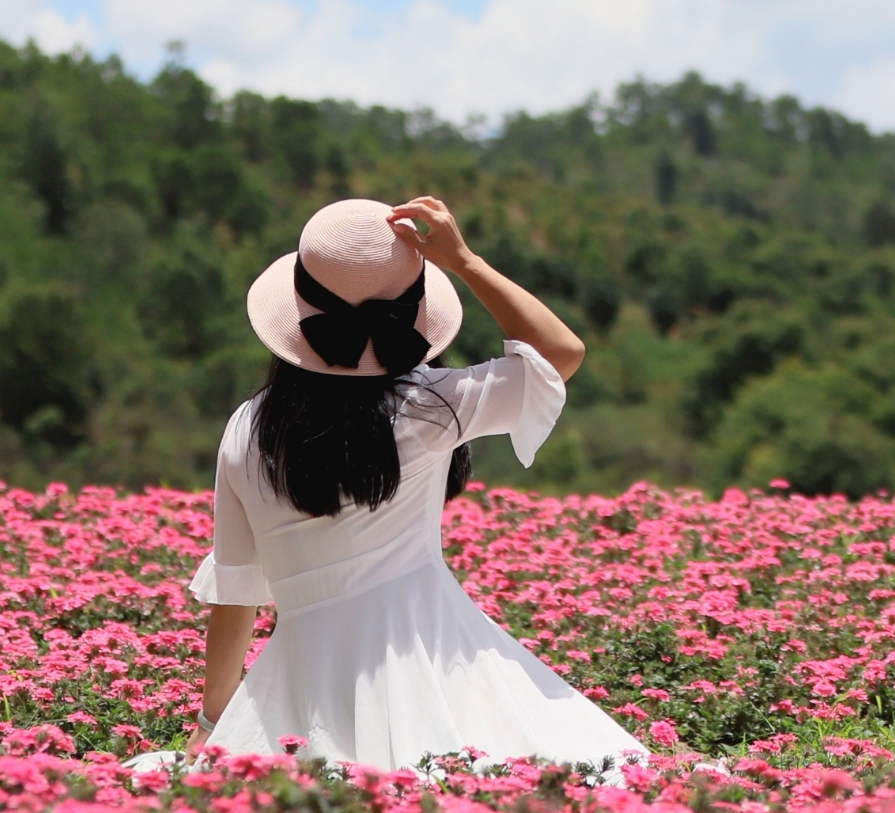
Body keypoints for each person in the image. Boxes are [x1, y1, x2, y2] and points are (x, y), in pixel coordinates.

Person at [186, 193, 648, 776]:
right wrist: (465, 260)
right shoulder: (433, 407)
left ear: (297, 313)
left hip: (301, 679)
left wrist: (213, 725)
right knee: (512, 779)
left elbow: (236, 593)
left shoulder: (247, 428)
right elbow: (559, 353)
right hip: (434, 660)